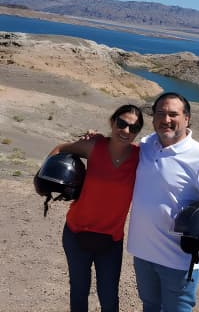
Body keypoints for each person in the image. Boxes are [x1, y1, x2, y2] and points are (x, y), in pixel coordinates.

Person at [127, 92, 199, 312]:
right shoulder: (147, 145)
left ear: (186, 118)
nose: (165, 119)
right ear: (153, 118)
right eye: (160, 113)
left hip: (181, 260)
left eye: (172, 114)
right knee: (150, 306)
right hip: (143, 254)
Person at [42, 104, 143, 312]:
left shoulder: (139, 157)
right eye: (122, 123)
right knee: (79, 291)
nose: (126, 131)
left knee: (109, 296)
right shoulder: (94, 145)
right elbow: (61, 148)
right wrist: (44, 182)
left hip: (111, 240)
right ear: (112, 122)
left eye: (133, 128)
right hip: (76, 233)